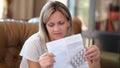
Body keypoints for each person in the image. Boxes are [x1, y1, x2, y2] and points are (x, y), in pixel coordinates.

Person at [20, 1, 101, 68]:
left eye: (61, 23)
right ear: (45, 26)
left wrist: (96, 60)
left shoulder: (73, 42)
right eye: (51, 25)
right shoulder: (33, 44)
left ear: (68, 23)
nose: (56, 29)